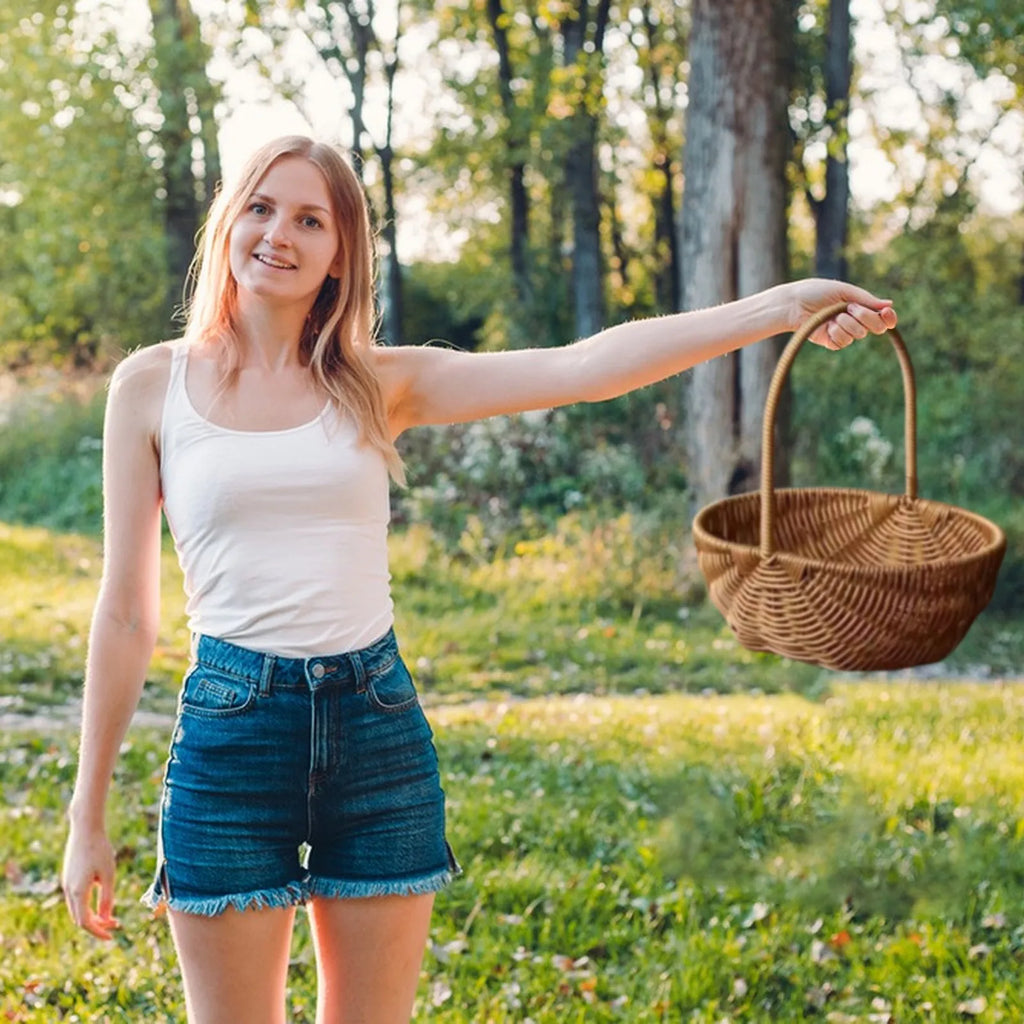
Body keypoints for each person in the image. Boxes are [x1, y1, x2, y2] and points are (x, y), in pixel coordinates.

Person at [61, 134, 898, 1024]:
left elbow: (584, 369)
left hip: (374, 730)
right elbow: (124, 616)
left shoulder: (380, 383)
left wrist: (778, 307)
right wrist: (87, 815)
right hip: (230, 736)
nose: (280, 234)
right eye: (262, 208)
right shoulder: (151, 388)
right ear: (230, 219)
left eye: (311, 219)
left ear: (340, 253)